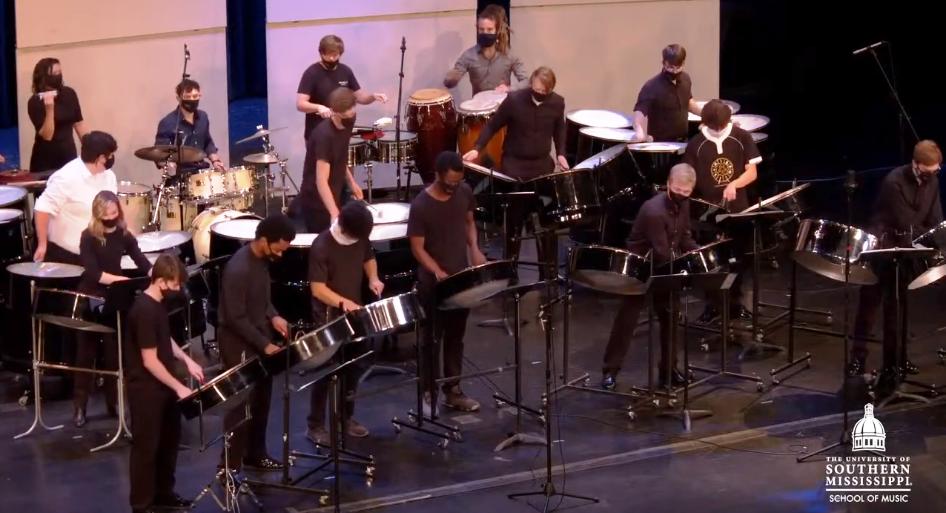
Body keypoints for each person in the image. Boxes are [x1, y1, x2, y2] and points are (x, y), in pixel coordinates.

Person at [850, 140, 943, 395]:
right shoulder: (894, 182)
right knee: (869, 305)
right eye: (929, 170)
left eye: (936, 170)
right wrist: (924, 237)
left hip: (906, 249)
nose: (933, 174)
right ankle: (857, 357)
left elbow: (934, 217)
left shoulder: (933, 180)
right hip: (882, 247)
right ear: (916, 164)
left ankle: (897, 360)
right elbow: (906, 222)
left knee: (898, 307)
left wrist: (938, 240)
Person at [601, 164, 700, 390]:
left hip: (665, 266)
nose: (681, 195)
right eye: (677, 190)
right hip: (641, 268)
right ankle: (610, 370)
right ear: (668, 184)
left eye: (686, 192)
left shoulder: (684, 205)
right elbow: (662, 250)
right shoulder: (653, 210)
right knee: (627, 320)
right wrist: (682, 266)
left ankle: (669, 370)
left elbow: (684, 237)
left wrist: (699, 254)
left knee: (670, 316)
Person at [462, 66, 566, 275]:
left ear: (550, 90)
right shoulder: (514, 100)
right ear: (531, 84)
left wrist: (562, 154)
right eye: (536, 89)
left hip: (541, 166)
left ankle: (548, 272)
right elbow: (492, 125)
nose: (539, 93)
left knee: (547, 220)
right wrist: (477, 148)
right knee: (514, 220)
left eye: (544, 91)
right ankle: (510, 268)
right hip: (514, 166)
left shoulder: (557, 103)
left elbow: (559, 129)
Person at [409, 152, 488, 412]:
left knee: (456, 337)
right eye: (449, 182)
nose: (453, 187)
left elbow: (469, 222)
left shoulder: (464, 192)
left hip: (459, 278)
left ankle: (453, 391)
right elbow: (417, 248)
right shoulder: (421, 205)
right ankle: (428, 392)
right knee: (431, 340)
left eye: (457, 182)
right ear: (438, 175)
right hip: (432, 284)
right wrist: (437, 270)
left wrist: (474, 249)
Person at [125, 253, 204, 513]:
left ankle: (164, 494)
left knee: (168, 443)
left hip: (164, 386)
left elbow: (164, 338)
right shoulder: (143, 310)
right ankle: (142, 504)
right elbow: (149, 361)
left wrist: (186, 359)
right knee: (146, 449)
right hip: (146, 390)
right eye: (174, 284)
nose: (177, 289)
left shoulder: (157, 304)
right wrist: (179, 386)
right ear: (160, 281)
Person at [218, 214, 295, 472]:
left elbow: (261, 298)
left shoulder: (261, 261)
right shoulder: (238, 269)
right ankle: (229, 466)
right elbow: (235, 317)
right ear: (263, 240)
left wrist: (274, 316)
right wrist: (264, 344)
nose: (280, 255)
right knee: (241, 405)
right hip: (237, 342)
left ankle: (255, 454)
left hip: (258, 334)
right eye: (278, 249)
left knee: (262, 398)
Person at [305, 201, 384, 444]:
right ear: (344, 227)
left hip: (353, 313)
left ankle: (345, 417)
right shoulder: (322, 245)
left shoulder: (359, 235)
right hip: (328, 316)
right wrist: (343, 302)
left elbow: (368, 257)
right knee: (325, 372)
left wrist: (373, 278)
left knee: (353, 367)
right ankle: (315, 425)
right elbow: (317, 289)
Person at [73, 191, 153, 427]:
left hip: (115, 297)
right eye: (106, 214)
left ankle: (114, 402)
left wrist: (157, 275)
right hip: (91, 297)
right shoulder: (88, 236)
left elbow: (141, 261)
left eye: (114, 212)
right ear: (98, 214)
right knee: (85, 355)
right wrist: (122, 281)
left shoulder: (123, 234)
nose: (111, 217)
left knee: (114, 353)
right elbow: (93, 273)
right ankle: (80, 406)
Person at [684, 99, 760, 322]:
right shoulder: (696, 144)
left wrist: (734, 184)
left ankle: (736, 304)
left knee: (738, 260)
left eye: (721, 125)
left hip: (738, 211)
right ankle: (713, 306)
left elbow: (752, 172)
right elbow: (690, 176)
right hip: (709, 214)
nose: (718, 129)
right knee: (713, 263)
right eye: (713, 126)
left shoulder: (741, 136)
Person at [33, 131, 118, 264]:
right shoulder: (66, 177)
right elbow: (42, 209)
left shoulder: (109, 176)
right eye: (111, 155)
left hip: (97, 252)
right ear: (101, 158)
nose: (112, 158)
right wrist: (42, 245)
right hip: (66, 256)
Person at [290, 87, 362, 232]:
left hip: (336, 191)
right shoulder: (324, 136)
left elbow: (340, 156)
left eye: (352, 107)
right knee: (322, 238)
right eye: (348, 109)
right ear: (336, 112)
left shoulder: (349, 120)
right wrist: (334, 213)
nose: (352, 111)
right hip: (316, 200)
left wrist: (352, 182)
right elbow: (321, 181)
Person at [296, 35, 387, 141]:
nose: (331, 58)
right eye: (327, 55)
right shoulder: (311, 73)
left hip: (341, 133)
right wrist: (319, 107)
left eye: (335, 55)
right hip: (317, 134)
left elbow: (360, 97)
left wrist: (373, 96)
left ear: (340, 54)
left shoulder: (345, 71)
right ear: (321, 53)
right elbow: (301, 104)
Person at [443, 4, 527, 95]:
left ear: (497, 30)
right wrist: (452, 78)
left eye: (489, 29)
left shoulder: (509, 54)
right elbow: (449, 83)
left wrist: (510, 88)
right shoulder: (468, 55)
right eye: (481, 29)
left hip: (504, 103)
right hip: (478, 103)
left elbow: (526, 82)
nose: (485, 33)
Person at [27, 58, 89, 173]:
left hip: (68, 157)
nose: (58, 76)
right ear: (44, 77)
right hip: (45, 162)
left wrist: (91, 148)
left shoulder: (69, 93)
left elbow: (79, 124)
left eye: (60, 72)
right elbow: (47, 135)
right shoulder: (35, 102)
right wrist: (50, 109)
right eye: (55, 73)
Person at [631, 44, 702, 143]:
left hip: (683, 140)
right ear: (664, 63)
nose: (674, 71)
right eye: (671, 67)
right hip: (661, 143)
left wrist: (706, 114)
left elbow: (688, 102)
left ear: (683, 63)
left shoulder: (686, 79)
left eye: (678, 67)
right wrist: (639, 131)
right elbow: (640, 112)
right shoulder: (651, 86)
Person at [155, 78, 226, 175]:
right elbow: (159, 155)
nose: (192, 100)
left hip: (201, 171)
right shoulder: (167, 123)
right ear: (178, 98)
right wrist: (168, 164)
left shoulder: (203, 117)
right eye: (187, 97)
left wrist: (215, 161)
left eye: (195, 96)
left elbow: (207, 142)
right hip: (180, 175)